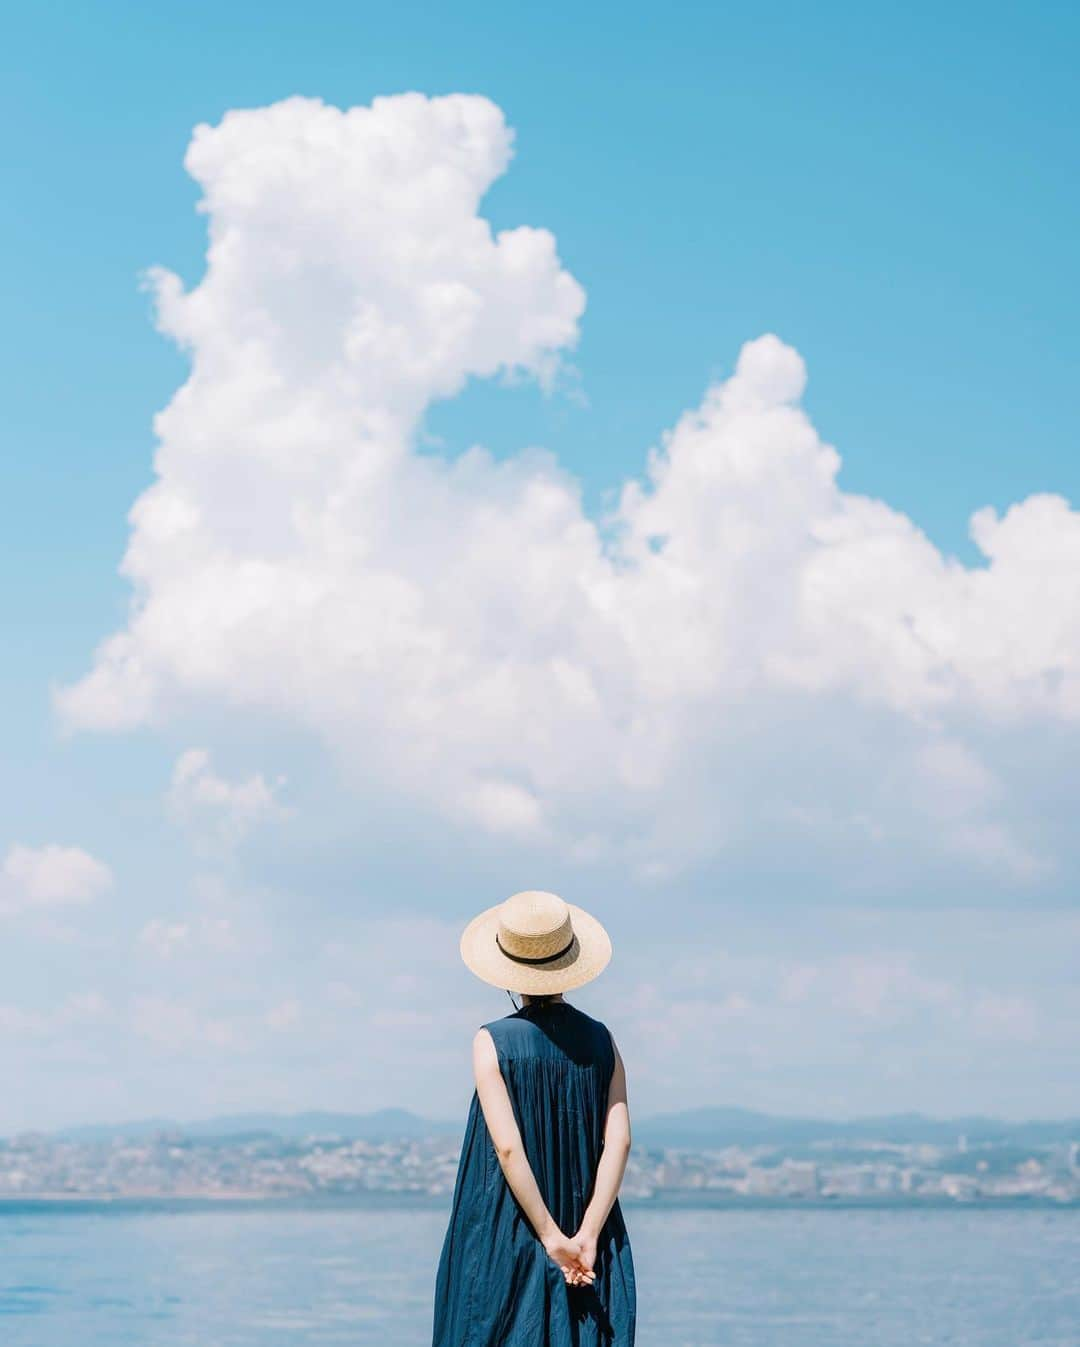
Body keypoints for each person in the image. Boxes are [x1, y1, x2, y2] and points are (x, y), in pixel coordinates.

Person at [432, 889, 636, 1346]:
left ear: (509, 971)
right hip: (589, 1231)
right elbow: (619, 1142)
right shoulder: (604, 1042)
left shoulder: (491, 1042)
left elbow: (507, 1148)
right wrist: (587, 1233)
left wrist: (551, 1237)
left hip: (509, 1228)